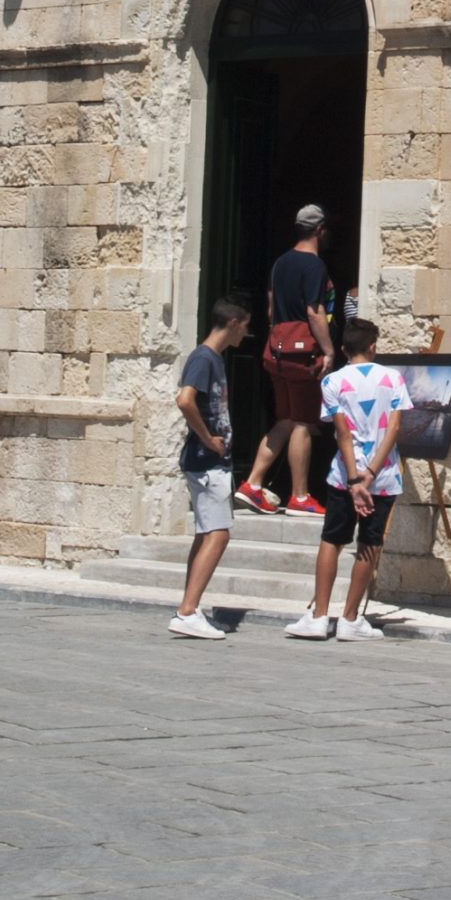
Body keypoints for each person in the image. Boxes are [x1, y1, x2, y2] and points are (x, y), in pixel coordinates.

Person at [286, 317, 413, 643]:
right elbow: (394, 428)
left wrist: (355, 477)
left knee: (332, 539)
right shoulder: (393, 378)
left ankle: (318, 616)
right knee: (369, 543)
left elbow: (342, 432)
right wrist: (370, 474)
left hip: (345, 476)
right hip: (382, 477)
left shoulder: (332, 382)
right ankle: (350, 618)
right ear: (373, 346)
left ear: (343, 349)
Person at [237, 203, 335, 517]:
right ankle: (300, 496)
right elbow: (314, 313)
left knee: (286, 419)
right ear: (320, 230)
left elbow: (269, 310)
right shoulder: (315, 265)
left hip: (276, 351)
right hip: (302, 355)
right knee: (305, 422)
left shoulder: (280, 263)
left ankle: (252, 484)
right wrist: (329, 350)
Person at [169, 296, 250, 640]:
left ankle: (189, 607)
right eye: (245, 326)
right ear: (233, 323)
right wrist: (207, 439)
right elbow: (185, 400)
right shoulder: (204, 358)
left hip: (209, 461)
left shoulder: (211, 359)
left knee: (207, 533)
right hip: (207, 462)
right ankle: (188, 611)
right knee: (219, 534)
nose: (246, 334)